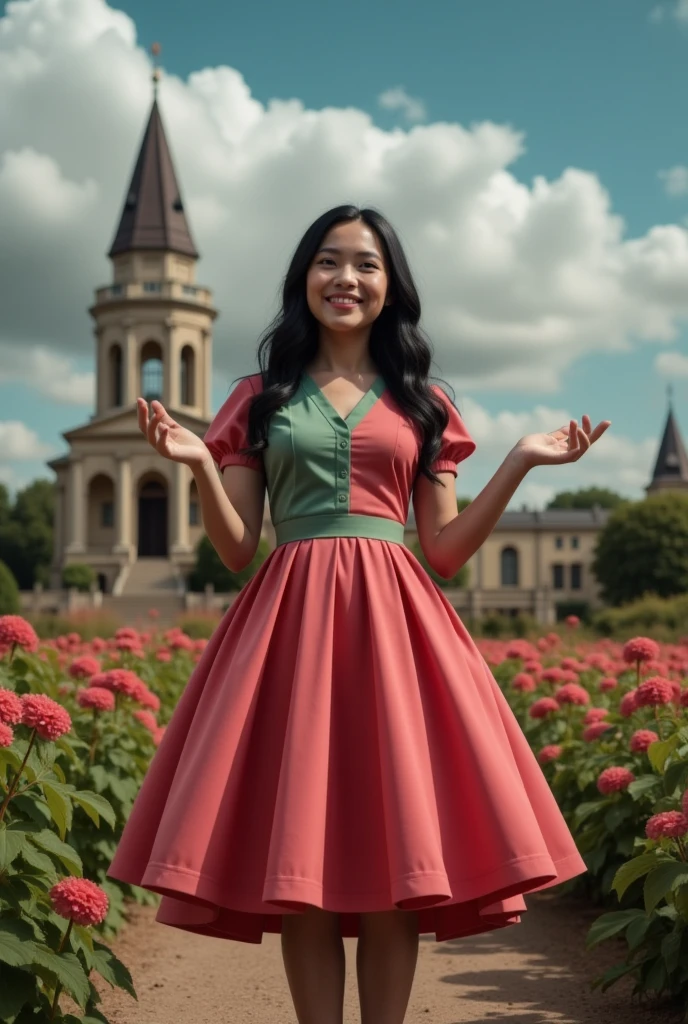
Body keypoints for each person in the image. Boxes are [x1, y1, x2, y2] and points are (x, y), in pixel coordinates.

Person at [107, 204, 610, 1024]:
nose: (346, 278)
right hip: (289, 626)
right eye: (329, 262)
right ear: (304, 278)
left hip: (396, 628)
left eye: (366, 264)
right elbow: (238, 550)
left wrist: (518, 461)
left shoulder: (425, 400)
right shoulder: (257, 397)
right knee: (301, 865)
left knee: (395, 862)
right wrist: (200, 459)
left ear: (390, 285)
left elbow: (441, 552)